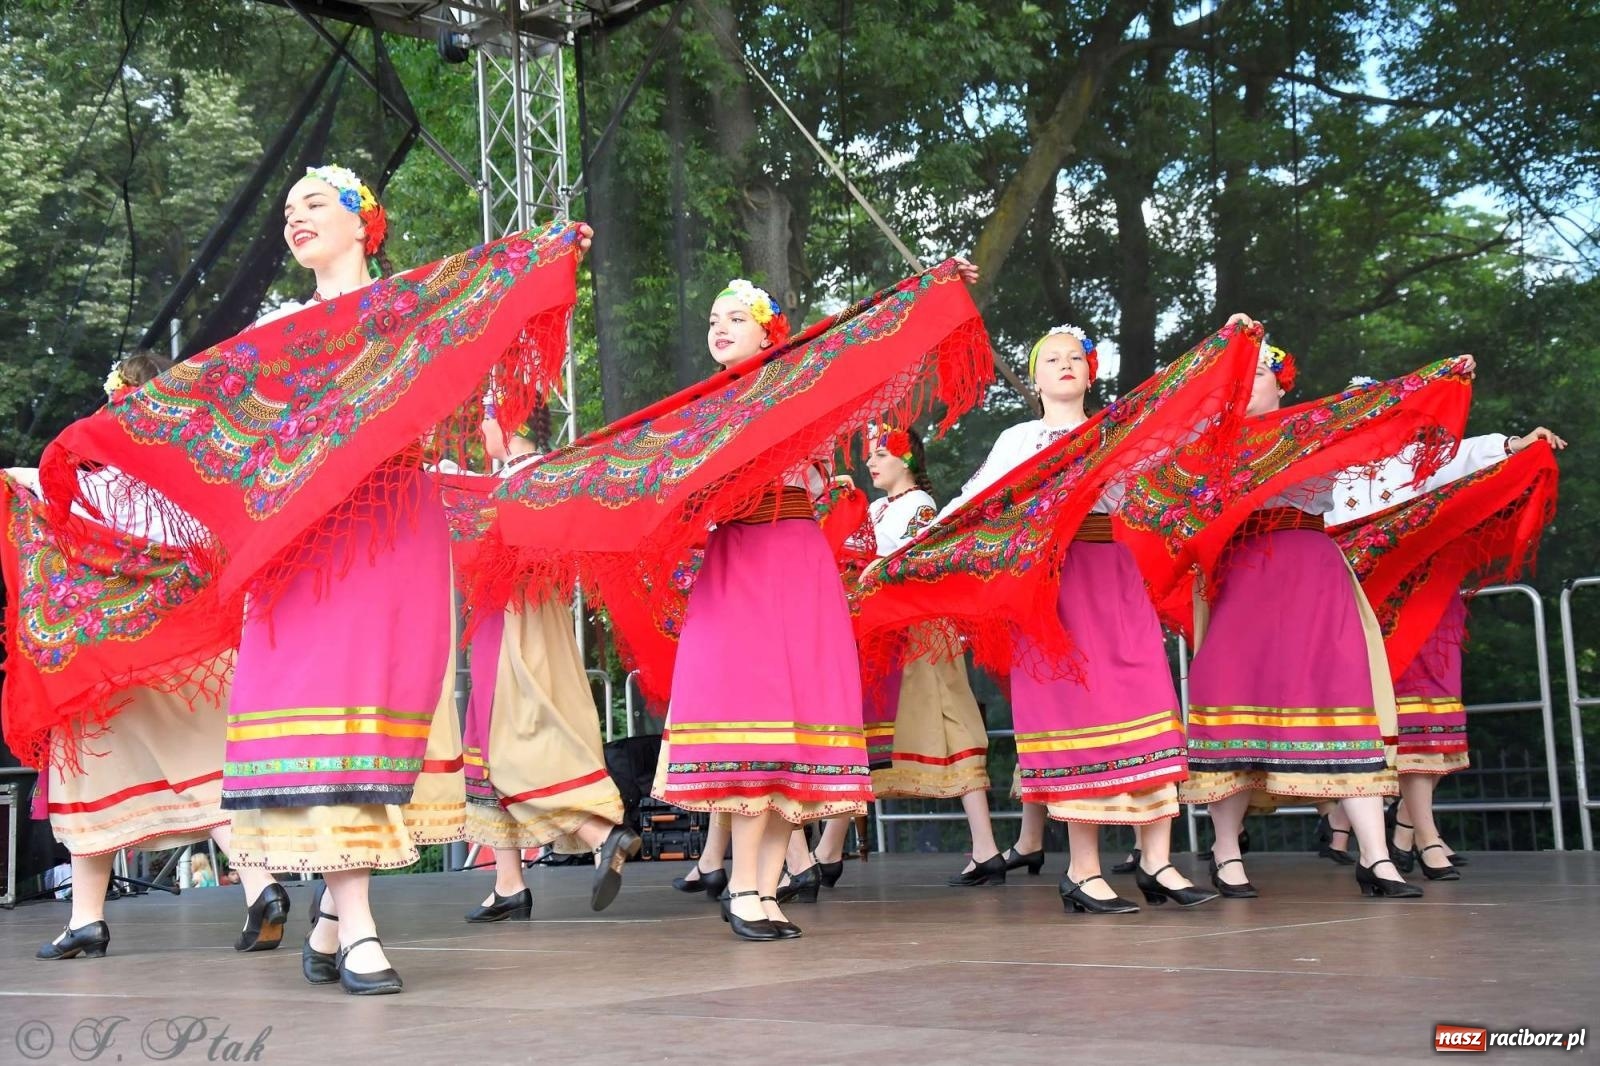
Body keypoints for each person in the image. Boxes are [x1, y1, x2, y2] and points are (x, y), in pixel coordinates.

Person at [937, 326, 1216, 912]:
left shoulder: (1118, 429)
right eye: (1052, 359)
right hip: (1053, 584)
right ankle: (1082, 871)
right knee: (1073, 712)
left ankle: (1157, 861)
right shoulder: (1020, 439)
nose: (1065, 365)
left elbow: (1180, 439)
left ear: (1090, 373)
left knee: (1148, 699)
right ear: (1035, 381)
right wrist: (916, 549)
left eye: (1075, 358)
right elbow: (974, 502)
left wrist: (1226, 358)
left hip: (1111, 572)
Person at [1181, 332, 1444, 900]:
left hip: (1308, 568)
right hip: (1241, 573)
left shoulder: (1315, 429)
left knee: (1339, 692)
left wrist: (1442, 377)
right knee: (1230, 695)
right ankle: (1226, 851)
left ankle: (1375, 856)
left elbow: (1390, 418)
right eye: (1235, 376)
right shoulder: (1207, 448)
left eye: (1256, 373)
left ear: (1282, 382)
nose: (1245, 385)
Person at [1325, 415, 1565, 876]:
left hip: (1426, 598)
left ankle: (1410, 829)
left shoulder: (1418, 461)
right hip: (1362, 607)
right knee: (1392, 721)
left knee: (1432, 716)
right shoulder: (1328, 469)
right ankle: (1413, 832)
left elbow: (1464, 458)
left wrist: (1515, 444)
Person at [459, 427, 639, 923]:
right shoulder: (548, 474)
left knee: (509, 744)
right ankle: (508, 884)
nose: (479, 431)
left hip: (514, 619)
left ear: (507, 422)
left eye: (486, 418)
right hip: (537, 617)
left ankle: (600, 834)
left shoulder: (519, 480)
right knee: (495, 744)